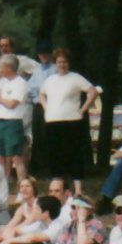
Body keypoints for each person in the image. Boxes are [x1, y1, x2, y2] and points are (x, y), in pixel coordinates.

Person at [35, 49, 97, 179]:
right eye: (59, 62)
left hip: (72, 121)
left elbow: (92, 91)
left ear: (68, 63)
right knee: (55, 154)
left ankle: (77, 184)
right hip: (52, 121)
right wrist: (46, 108)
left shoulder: (76, 78)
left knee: (74, 154)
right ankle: (57, 182)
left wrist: (83, 109)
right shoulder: (50, 80)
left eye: (64, 62)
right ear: (55, 63)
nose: (62, 65)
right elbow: (41, 94)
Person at [0, 55, 32, 189]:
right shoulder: (1, 82)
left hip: (13, 122)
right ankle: (2, 185)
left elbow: (12, 104)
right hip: (0, 121)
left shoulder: (20, 83)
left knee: (16, 157)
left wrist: (0, 98)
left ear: (8, 67)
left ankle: (23, 185)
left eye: (1, 67)